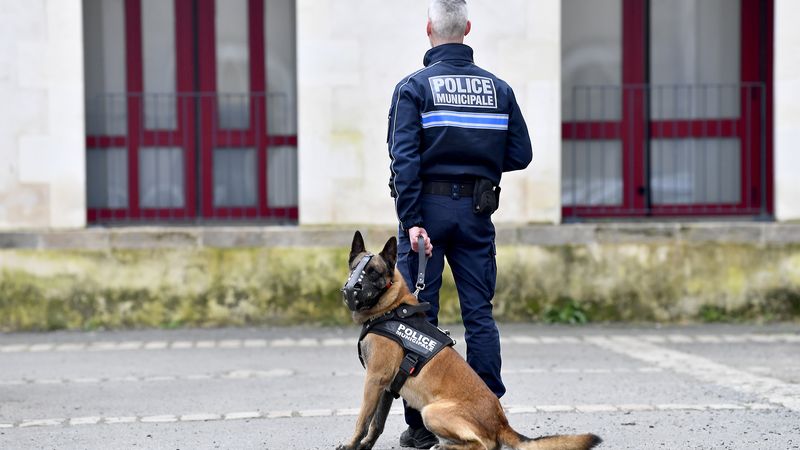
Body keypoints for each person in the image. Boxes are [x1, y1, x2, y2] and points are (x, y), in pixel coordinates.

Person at [386, 0, 533, 447]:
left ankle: (419, 426)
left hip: (425, 215)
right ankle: (486, 411)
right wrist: (480, 162)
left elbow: (405, 160)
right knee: (479, 314)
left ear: (428, 27)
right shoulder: (498, 89)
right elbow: (520, 154)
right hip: (475, 213)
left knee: (416, 317)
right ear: (467, 28)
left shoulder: (414, 87)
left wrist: (411, 220)